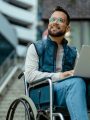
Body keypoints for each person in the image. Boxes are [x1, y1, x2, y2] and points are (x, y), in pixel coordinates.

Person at [25, 6, 89, 120]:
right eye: (52, 19)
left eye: (60, 20)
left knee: (79, 83)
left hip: (68, 91)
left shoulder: (73, 52)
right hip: (43, 92)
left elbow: (80, 74)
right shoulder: (35, 47)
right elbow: (29, 76)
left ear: (68, 28)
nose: (55, 22)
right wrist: (61, 75)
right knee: (76, 83)